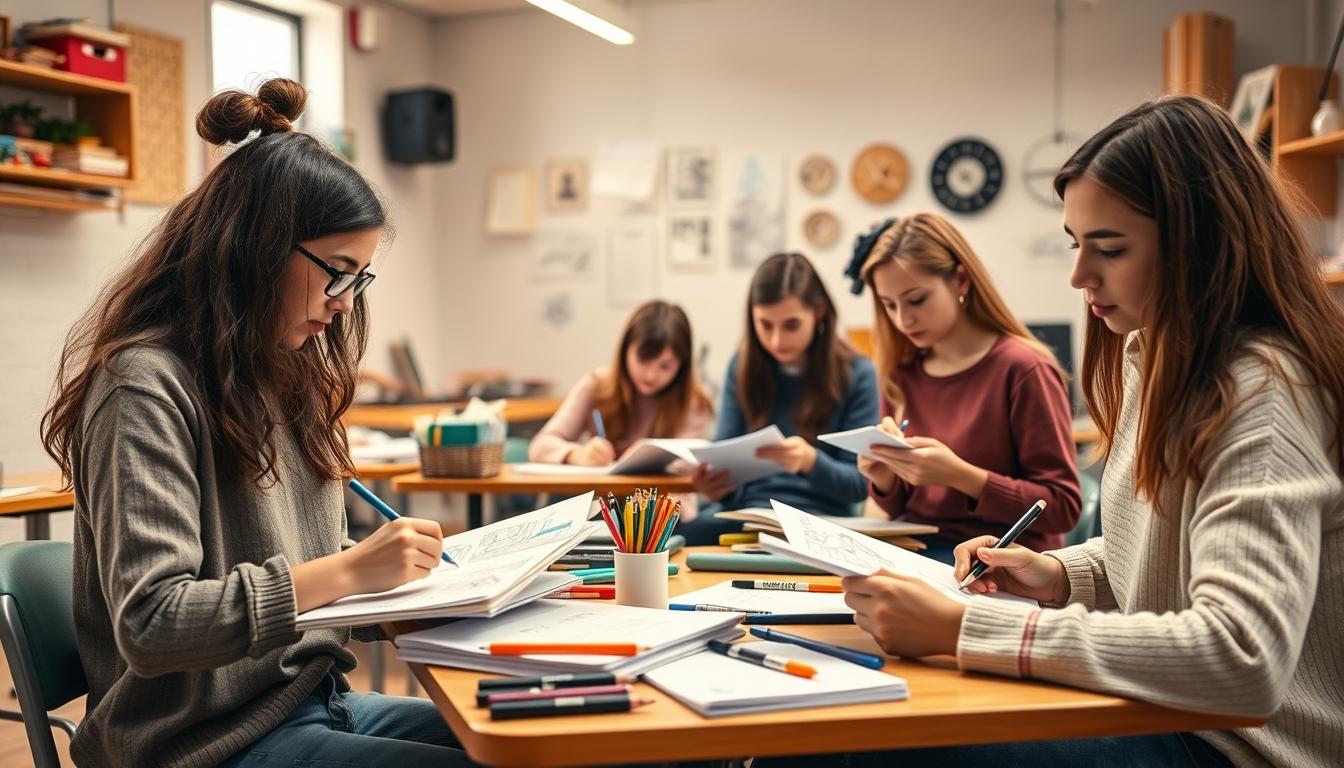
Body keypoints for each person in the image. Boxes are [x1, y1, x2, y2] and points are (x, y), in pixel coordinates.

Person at [763, 95, 1344, 767]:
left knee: (844, 740)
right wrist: (1055, 574)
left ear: (1202, 242)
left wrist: (968, 627)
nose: (1078, 276)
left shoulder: (1263, 392)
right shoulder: (1153, 356)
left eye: (1110, 248)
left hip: (1237, 747)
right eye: (1076, 245)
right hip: (1168, 711)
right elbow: (1154, 564)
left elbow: (1241, 657)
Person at [41, 79, 472, 767]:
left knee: (557, 746)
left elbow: (317, 600)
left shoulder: (284, 375)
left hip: (312, 700)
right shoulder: (142, 387)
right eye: (336, 271)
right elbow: (154, 625)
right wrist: (351, 570)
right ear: (256, 246)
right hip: (199, 742)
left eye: (359, 279)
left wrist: (450, 593)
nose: (342, 303)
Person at [854, 213, 1081, 562]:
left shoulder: (1023, 369)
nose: (902, 319)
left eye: (916, 300)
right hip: (916, 558)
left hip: (997, 567)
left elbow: (1063, 507)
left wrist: (963, 476)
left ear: (960, 280)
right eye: (889, 305)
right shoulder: (901, 375)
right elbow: (897, 507)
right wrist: (884, 479)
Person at [680, 252, 879, 545]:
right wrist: (713, 487)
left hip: (822, 523)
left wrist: (811, 461)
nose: (776, 341)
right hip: (748, 516)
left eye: (791, 325)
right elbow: (723, 462)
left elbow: (861, 485)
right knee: (667, 540)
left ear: (820, 311)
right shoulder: (742, 367)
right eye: (765, 325)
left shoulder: (857, 373)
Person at [529, 300, 713, 514]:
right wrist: (576, 454)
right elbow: (540, 445)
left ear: (682, 366)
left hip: (664, 517)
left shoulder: (694, 404)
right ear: (625, 349)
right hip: (599, 509)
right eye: (643, 359)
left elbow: (691, 467)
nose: (651, 375)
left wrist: (648, 461)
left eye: (665, 366)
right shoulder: (596, 386)